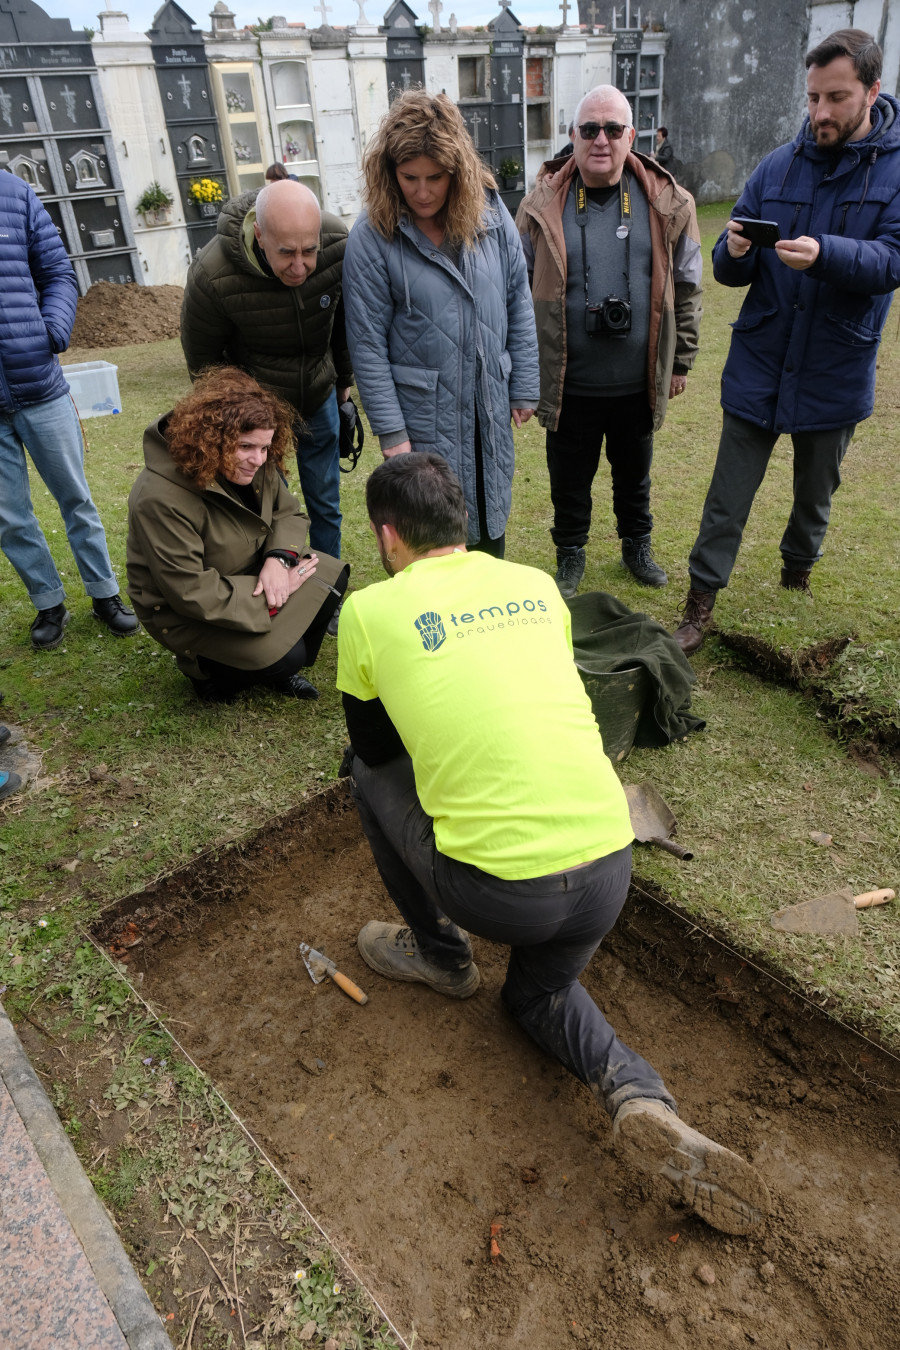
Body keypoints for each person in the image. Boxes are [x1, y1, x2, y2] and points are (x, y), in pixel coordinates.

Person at [336, 453, 770, 1236]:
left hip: (498, 893)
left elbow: (374, 741)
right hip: (609, 869)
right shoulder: (536, 585)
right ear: (462, 526)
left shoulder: (369, 610)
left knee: (362, 772)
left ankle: (442, 957)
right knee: (536, 995)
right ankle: (638, 1096)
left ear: (387, 537)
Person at [673, 29, 900, 654]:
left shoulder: (897, 170)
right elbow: (726, 265)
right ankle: (699, 605)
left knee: (813, 497)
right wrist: (736, 249)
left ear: (872, 91)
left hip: (835, 364)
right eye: (812, 98)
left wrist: (827, 254)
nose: (821, 112)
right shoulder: (778, 164)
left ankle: (795, 577)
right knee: (727, 494)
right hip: (761, 358)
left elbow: (892, 260)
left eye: (836, 97)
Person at [517, 85, 702, 596]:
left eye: (613, 129)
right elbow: (515, 293)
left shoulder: (670, 203)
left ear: (631, 136)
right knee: (567, 481)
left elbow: (688, 288)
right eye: (590, 129)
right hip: (568, 378)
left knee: (634, 476)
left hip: (635, 379)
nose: (602, 139)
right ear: (572, 136)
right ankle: (570, 555)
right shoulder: (538, 207)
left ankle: (636, 547)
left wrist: (680, 360)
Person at [342, 89, 539, 558]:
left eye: (436, 177)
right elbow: (367, 345)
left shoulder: (491, 215)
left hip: (486, 407)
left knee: (489, 524)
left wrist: (525, 382)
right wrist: (392, 434)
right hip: (420, 419)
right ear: (389, 171)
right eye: (410, 177)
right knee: (430, 542)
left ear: (459, 171)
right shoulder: (372, 238)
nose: (423, 191)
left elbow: (518, 297)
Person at [126, 367, 347, 703]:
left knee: (330, 578)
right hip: (187, 611)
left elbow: (287, 512)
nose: (258, 460)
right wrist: (275, 590)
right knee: (290, 657)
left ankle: (267, 657)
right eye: (246, 446)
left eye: (265, 447)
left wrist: (278, 560)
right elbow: (189, 591)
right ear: (211, 438)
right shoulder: (160, 496)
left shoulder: (256, 460)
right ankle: (209, 675)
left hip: (249, 576)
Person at [180, 180, 351, 572]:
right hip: (258, 409)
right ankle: (282, 583)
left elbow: (344, 322)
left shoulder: (338, 243)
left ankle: (327, 580)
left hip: (318, 392)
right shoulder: (212, 274)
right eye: (286, 253)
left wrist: (343, 381)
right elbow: (204, 361)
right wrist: (236, 419)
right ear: (259, 233)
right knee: (272, 506)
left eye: (310, 251)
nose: (300, 266)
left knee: (326, 501)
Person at [0, 172, 138, 650]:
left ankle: (104, 594)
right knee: (9, 517)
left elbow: (57, 272)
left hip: (38, 383)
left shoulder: (14, 194)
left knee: (75, 498)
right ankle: (48, 602)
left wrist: (51, 330)